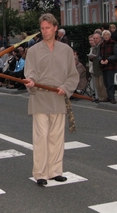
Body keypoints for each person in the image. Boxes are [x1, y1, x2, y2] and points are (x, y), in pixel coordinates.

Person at [24, 13, 79, 186]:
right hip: (40, 97)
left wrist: (66, 87)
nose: (45, 31)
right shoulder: (33, 50)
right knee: (41, 136)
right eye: (42, 28)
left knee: (56, 136)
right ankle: (40, 173)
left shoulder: (66, 50)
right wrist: (31, 82)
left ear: (55, 28)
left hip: (58, 97)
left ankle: (55, 171)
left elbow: (72, 74)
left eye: (48, 28)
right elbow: (30, 72)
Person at [99, 30, 117, 104]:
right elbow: (99, 54)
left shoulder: (114, 43)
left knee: (110, 82)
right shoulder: (102, 44)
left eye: (107, 35)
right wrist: (100, 60)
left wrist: (108, 59)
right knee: (106, 82)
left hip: (111, 65)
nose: (106, 36)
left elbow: (115, 55)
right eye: (104, 35)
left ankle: (112, 97)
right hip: (104, 65)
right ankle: (109, 96)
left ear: (110, 36)